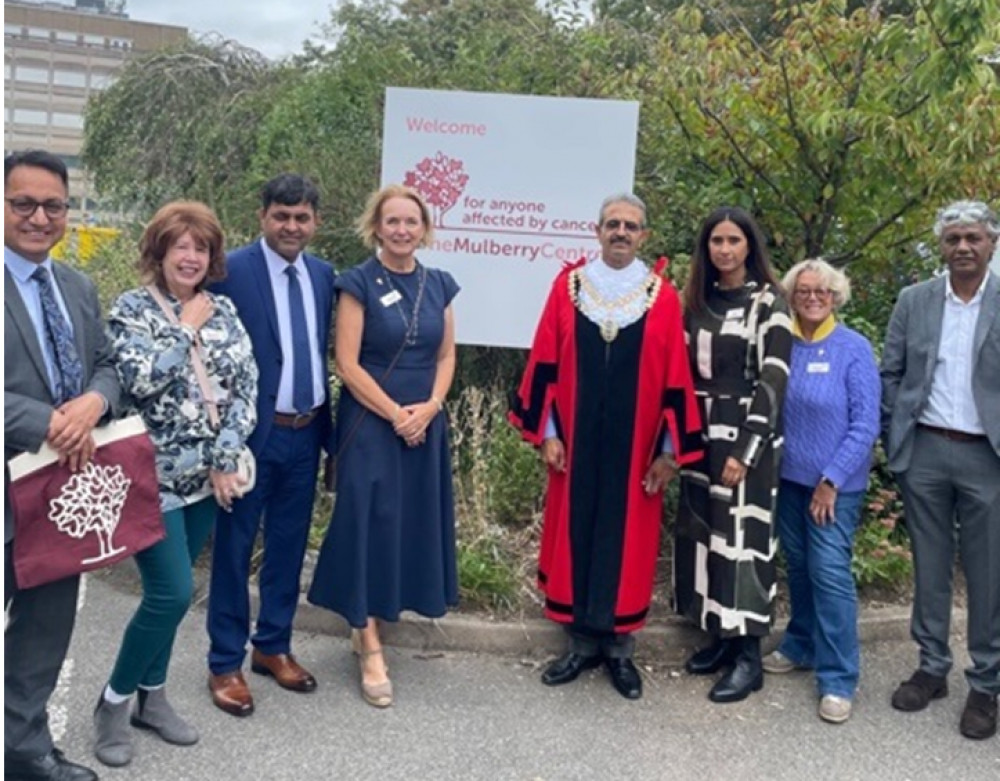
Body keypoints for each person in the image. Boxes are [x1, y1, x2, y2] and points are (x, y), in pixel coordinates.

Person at [509, 193, 702, 701]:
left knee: (629, 539)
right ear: (597, 231)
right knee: (576, 531)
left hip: (635, 446)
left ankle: (619, 650)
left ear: (645, 236)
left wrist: (667, 451)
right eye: (613, 224)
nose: (621, 232)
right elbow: (545, 361)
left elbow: (674, 380)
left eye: (631, 226)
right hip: (574, 442)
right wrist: (548, 432)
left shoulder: (661, 296)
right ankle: (579, 645)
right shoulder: (569, 287)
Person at [93, 202, 258, 766]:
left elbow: (245, 387)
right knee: (171, 593)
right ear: (159, 252)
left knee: (177, 591)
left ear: (212, 257)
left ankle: (152, 698)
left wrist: (225, 455)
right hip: (149, 478)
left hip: (207, 479)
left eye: (201, 247)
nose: (190, 257)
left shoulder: (226, 310)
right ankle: (113, 701)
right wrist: (182, 330)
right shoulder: (132, 309)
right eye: (179, 246)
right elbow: (138, 381)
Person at [307, 184, 459, 708]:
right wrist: (396, 414)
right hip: (371, 422)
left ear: (424, 229)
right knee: (366, 522)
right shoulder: (357, 283)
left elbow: (445, 357)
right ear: (376, 226)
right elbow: (346, 365)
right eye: (391, 221)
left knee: (406, 523)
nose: (401, 230)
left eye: (410, 222)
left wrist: (432, 407)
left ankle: (373, 619)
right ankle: (367, 641)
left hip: (424, 421)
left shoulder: (440, 284)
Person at [5, 150, 121, 781]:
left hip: (61, 494)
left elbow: (107, 365)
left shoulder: (76, 286)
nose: (39, 217)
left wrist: (94, 401)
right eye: (23, 203)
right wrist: (46, 421)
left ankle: (23, 753)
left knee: (44, 632)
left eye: (53, 205)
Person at [206, 174, 336, 717]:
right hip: (248, 439)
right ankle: (224, 662)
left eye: (301, 217)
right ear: (263, 217)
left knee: (287, 547)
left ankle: (273, 646)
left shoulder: (326, 276)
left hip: (305, 432)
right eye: (281, 216)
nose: (291, 226)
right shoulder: (229, 271)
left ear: (315, 222)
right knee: (234, 551)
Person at [881, 200, 1000, 740]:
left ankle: (986, 683)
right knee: (930, 566)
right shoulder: (915, 300)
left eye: (973, 237)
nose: (963, 247)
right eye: (953, 238)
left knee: (987, 573)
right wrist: (895, 437)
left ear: (991, 243)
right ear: (942, 246)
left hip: (987, 455)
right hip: (925, 451)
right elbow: (893, 371)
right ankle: (932, 668)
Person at [674, 205, 792, 703]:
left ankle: (748, 655)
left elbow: (774, 377)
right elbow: (677, 372)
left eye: (733, 241)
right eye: (716, 241)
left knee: (744, 539)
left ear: (750, 246)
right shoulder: (696, 302)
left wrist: (746, 447)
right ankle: (718, 638)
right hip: (700, 432)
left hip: (749, 436)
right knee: (705, 537)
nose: (724, 249)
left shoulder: (770, 301)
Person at [763, 259, 880, 724]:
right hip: (788, 481)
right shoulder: (782, 343)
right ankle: (801, 644)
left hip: (835, 486)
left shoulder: (853, 348)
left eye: (822, 292)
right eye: (804, 291)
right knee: (800, 567)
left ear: (835, 297)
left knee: (829, 573)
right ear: (791, 297)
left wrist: (831, 479)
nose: (812, 298)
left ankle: (838, 677)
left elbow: (866, 423)